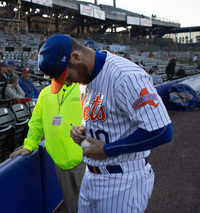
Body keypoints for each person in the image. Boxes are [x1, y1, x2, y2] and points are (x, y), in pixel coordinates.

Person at [38, 34, 173, 213]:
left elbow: (162, 131)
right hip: (90, 176)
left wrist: (108, 150)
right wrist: (82, 130)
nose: (68, 82)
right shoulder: (84, 78)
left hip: (123, 180)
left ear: (76, 57)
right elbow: (102, 119)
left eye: (67, 75)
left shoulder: (126, 76)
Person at [10, 82, 85, 213]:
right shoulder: (45, 93)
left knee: (90, 202)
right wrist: (29, 144)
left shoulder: (82, 88)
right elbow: (36, 122)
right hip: (59, 160)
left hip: (84, 157)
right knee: (71, 204)